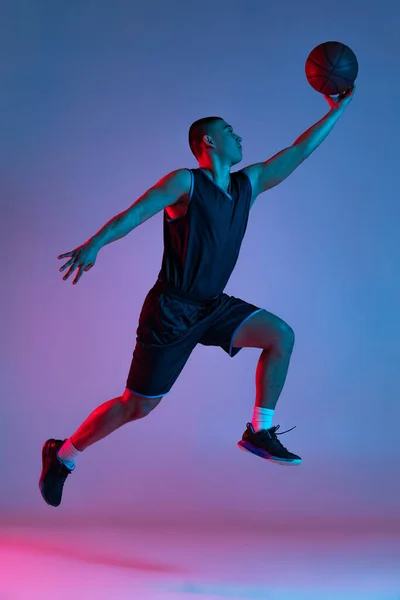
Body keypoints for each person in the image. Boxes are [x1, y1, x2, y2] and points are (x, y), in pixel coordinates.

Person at [39, 87, 355, 507]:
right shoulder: (184, 181)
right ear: (208, 142)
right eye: (229, 131)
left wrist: (337, 110)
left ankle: (260, 431)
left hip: (213, 305)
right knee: (136, 407)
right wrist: (95, 243)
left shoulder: (249, 184)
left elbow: (299, 152)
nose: (239, 137)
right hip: (172, 309)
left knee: (281, 336)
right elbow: (135, 213)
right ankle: (63, 455)